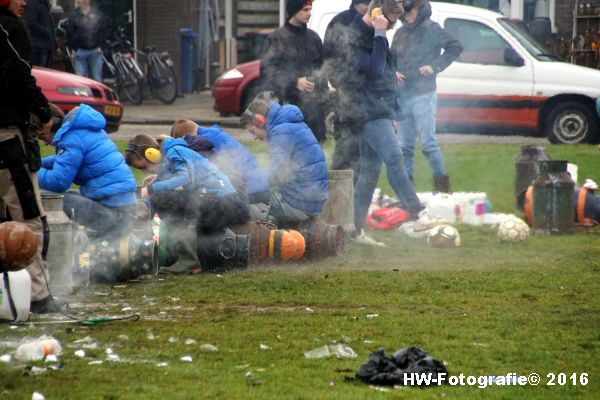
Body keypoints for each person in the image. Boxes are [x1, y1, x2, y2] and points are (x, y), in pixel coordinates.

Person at [339, 0, 446, 246]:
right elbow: (374, 69)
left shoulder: (375, 36)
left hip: (378, 110)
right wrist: (379, 31)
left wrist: (392, 113)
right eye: (388, 21)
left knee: (369, 171)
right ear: (376, 12)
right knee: (396, 158)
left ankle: (354, 231)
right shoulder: (355, 37)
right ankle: (418, 213)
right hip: (366, 112)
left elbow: (383, 73)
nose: (389, 27)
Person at [0, 0, 62, 313]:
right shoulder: (8, 28)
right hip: (7, 139)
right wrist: (41, 111)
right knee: (28, 219)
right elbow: (21, 75)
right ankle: (38, 295)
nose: (23, 1)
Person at [125, 134, 250, 274]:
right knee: (162, 200)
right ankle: (189, 258)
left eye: (143, 166)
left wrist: (150, 189)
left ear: (151, 154)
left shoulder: (175, 152)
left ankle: (187, 259)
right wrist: (141, 210)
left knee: (165, 202)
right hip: (213, 201)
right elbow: (155, 193)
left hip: (222, 202)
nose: (145, 171)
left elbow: (185, 179)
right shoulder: (167, 161)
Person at [391, 0, 462, 193]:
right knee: (405, 147)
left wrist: (435, 66)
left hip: (424, 94)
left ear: (413, 6)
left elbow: (455, 46)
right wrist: (394, 72)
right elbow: (390, 59)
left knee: (428, 144)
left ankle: (443, 189)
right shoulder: (400, 32)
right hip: (403, 97)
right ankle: (407, 192)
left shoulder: (432, 29)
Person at [37, 104, 137, 240]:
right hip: (124, 209)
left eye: (43, 137)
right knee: (69, 195)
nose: (45, 143)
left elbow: (58, 182)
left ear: (51, 124)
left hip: (115, 214)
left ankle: (60, 246)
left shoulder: (70, 139)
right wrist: (39, 163)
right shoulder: (80, 131)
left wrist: (30, 172)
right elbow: (64, 160)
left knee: (54, 199)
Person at [241, 96, 328, 228]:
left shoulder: (281, 131)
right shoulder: (289, 125)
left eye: (253, 132)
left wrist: (246, 190)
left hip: (301, 204)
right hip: (311, 201)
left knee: (246, 205)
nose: (254, 137)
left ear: (260, 121)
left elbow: (276, 173)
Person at [170, 119, 271, 220]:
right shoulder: (215, 134)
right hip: (261, 190)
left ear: (186, 138)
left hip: (251, 196)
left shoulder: (203, 143)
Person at [260, 0, 328, 143]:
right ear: (293, 10)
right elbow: (267, 72)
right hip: (287, 108)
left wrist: (322, 85)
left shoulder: (314, 38)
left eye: (311, 10)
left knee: (315, 155)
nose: (309, 14)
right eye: (305, 10)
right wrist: (294, 82)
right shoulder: (276, 39)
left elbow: (322, 68)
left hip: (314, 112)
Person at [323, 0, 370, 184]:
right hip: (345, 93)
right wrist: (337, 82)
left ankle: (357, 190)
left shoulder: (372, 22)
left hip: (366, 95)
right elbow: (327, 57)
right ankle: (338, 189)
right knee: (344, 145)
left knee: (363, 147)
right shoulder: (339, 21)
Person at [66, 0, 106, 82]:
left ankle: (97, 95)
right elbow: (69, 33)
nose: (78, 1)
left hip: (95, 51)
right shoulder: (74, 16)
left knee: (97, 78)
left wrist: (100, 46)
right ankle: (83, 95)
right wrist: (76, 48)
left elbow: (103, 30)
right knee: (80, 80)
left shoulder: (97, 14)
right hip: (80, 51)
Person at [23, 0, 56, 67]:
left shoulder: (44, 3)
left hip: (46, 46)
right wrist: (46, 31)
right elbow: (31, 23)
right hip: (38, 47)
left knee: (45, 73)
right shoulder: (33, 2)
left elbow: (48, 22)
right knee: (38, 73)